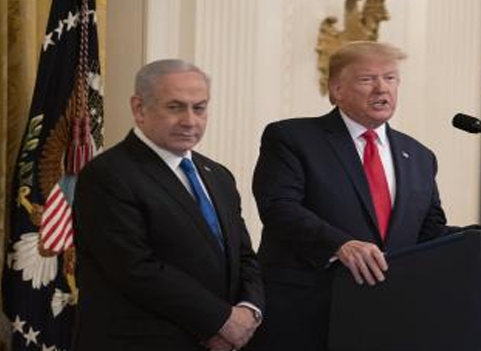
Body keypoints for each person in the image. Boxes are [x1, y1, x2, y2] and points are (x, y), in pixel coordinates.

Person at [247, 41, 460, 351]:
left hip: (384, 319)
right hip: (305, 313)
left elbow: (431, 233)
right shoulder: (292, 138)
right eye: (367, 79)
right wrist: (339, 244)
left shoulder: (419, 156)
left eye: (390, 78)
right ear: (337, 90)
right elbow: (279, 207)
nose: (381, 89)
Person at [72, 59, 264, 351]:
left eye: (199, 108)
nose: (190, 120)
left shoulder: (218, 175)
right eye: (175, 107)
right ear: (139, 109)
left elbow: (244, 257)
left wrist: (249, 310)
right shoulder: (108, 175)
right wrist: (221, 321)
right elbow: (135, 269)